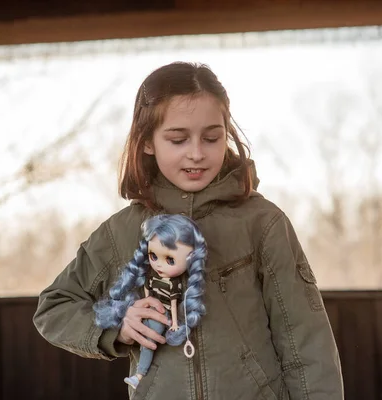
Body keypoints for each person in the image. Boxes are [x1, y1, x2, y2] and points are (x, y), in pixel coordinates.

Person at [33, 61, 344, 400]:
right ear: (147, 142)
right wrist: (116, 326)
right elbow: (54, 307)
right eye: (178, 139)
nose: (197, 154)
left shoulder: (263, 223)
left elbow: (307, 343)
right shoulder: (120, 232)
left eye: (212, 137)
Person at [93, 214, 208, 389]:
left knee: (148, 341)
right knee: (146, 338)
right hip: (154, 313)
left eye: (170, 260)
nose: (160, 265)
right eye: (153, 257)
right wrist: (122, 325)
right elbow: (148, 289)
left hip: (162, 316)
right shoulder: (118, 228)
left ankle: (139, 374)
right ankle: (139, 375)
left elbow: (174, 305)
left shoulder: (173, 285)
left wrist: (175, 323)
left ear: (192, 257)